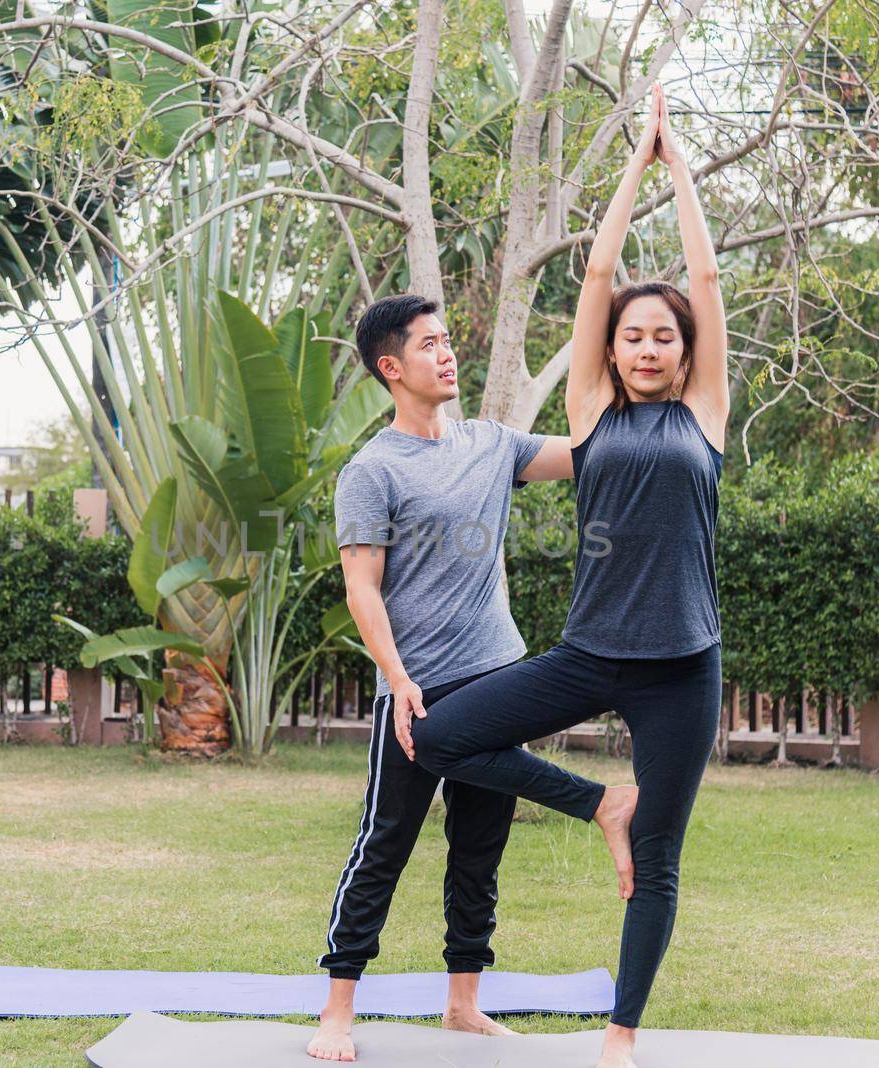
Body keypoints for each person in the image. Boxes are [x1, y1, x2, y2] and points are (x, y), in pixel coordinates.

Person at [409, 84, 729, 1068]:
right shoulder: (592, 411)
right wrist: (636, 161)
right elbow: (595, 272)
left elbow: (708, 283)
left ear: (680, 354)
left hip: (682, 667)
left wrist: (682, 177)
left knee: (659, 871)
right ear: (612, 350)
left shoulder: (703, 417)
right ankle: (601, 803)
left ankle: (620, 1035)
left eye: (661, 336)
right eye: (632, 334)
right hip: (591, 656)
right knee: (440, 736)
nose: (646, 345)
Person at [306, 294, 609, 1063]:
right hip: (417, 691)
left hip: (496, 680)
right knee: (386, 845)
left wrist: (634, 384)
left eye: (447, 342)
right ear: (390, 367)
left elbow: (583, 452)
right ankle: (337, 1011)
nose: (447, 355)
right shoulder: (372, 470)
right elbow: (361, 589)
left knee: (481, 847)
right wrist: (397, 679)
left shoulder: (491, 443)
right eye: (429, 345)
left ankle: (464, 1005)